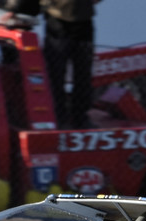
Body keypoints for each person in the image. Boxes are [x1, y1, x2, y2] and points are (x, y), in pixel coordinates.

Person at [39, 0, 100, 129]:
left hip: (84, 21)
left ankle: (80, 117)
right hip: (58, 21)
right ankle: (58, 117)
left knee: (83, 73)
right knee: (56, 73)